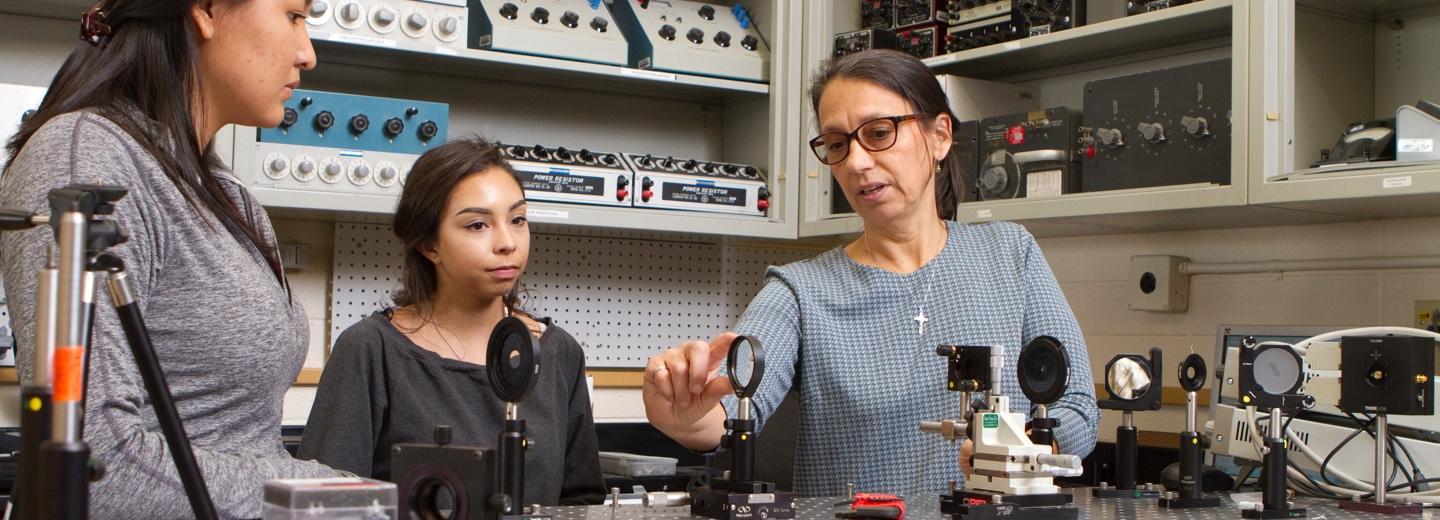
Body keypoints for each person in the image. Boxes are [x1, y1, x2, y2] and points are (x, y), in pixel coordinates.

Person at [641, 50, 1100, 497]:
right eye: (838, 144)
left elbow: (1077, 407)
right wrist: (683, 417)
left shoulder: (1009, 253)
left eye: (879, 133)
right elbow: (729, 408)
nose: (856, 162)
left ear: (939, 135)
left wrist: (1029, 453)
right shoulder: (801, 290)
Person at [0, 0, 344, 518]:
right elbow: (96, 467)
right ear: (205, 11)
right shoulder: (87, 158)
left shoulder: (225, 192)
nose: (307, 53)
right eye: (295, 16)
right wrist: (336, 495)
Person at [298, 137, 607, 505]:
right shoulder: (371, 350)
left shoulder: (559, 353)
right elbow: (323, 506)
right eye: (477, 225)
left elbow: (581, 501)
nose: (507, 242)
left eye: (518, 219)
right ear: (430, 245)